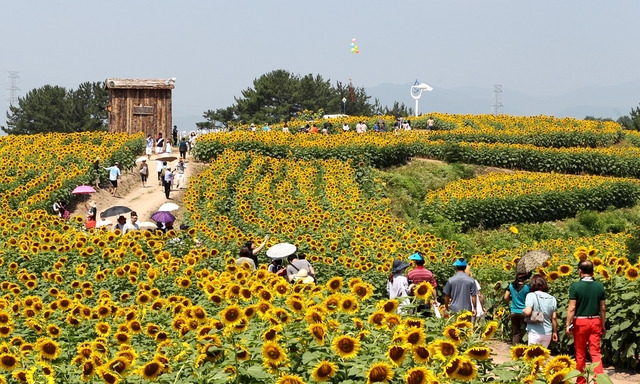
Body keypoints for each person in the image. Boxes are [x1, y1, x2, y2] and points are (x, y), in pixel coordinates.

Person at [565, 260, 606, 383]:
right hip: (595, 321)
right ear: (592, 271)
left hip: (580, 322)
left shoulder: (575, 286)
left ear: (579, 271)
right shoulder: (599, 286)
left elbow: (572, 308)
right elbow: (603, 308)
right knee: (595, 352)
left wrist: (568, 324)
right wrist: (603, 325)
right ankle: (598, 381)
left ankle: (581, 381)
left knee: (580, 353)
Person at [522, 274, 558, 348]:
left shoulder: (531, 295)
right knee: (542, 356)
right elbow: (554, 317)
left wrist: (523, 311)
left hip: (534, 332)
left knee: (532, 356)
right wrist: (555, 332)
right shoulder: (552, 298)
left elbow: (528, 312)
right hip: (547, 333)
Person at [407, 252, 439, 316]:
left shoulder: (411, 273)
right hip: (425, 300)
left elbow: (408, 287)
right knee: (426, 317)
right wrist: (435, 299)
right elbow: (433, 287)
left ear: (415, 262)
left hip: (414, 300)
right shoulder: (429, 273)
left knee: (414, 317)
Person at [504, 271, 531, 345]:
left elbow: (506, 297)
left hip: (514, 311)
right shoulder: (527, 287)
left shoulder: (511, 286)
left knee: (515, 332)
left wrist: (512, 299)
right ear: (525, 278)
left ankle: (515, 349)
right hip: (524, 312)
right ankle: (528, 346)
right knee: (529, 331)